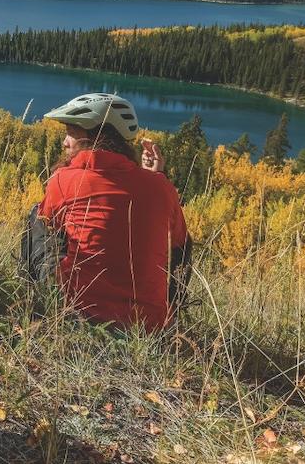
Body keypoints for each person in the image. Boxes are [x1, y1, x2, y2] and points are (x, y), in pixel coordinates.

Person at [29, 93, 191, 331]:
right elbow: (178, 246)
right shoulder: (161, 187)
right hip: (147, 325)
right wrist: (156, 176)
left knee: (38, 215)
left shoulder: (64, 181)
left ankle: (35, 304)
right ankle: (172, 313)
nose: (65, 142)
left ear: (92, 136)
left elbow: (54, 226)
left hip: (79, 312)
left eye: (70, 133)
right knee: (181, 243)